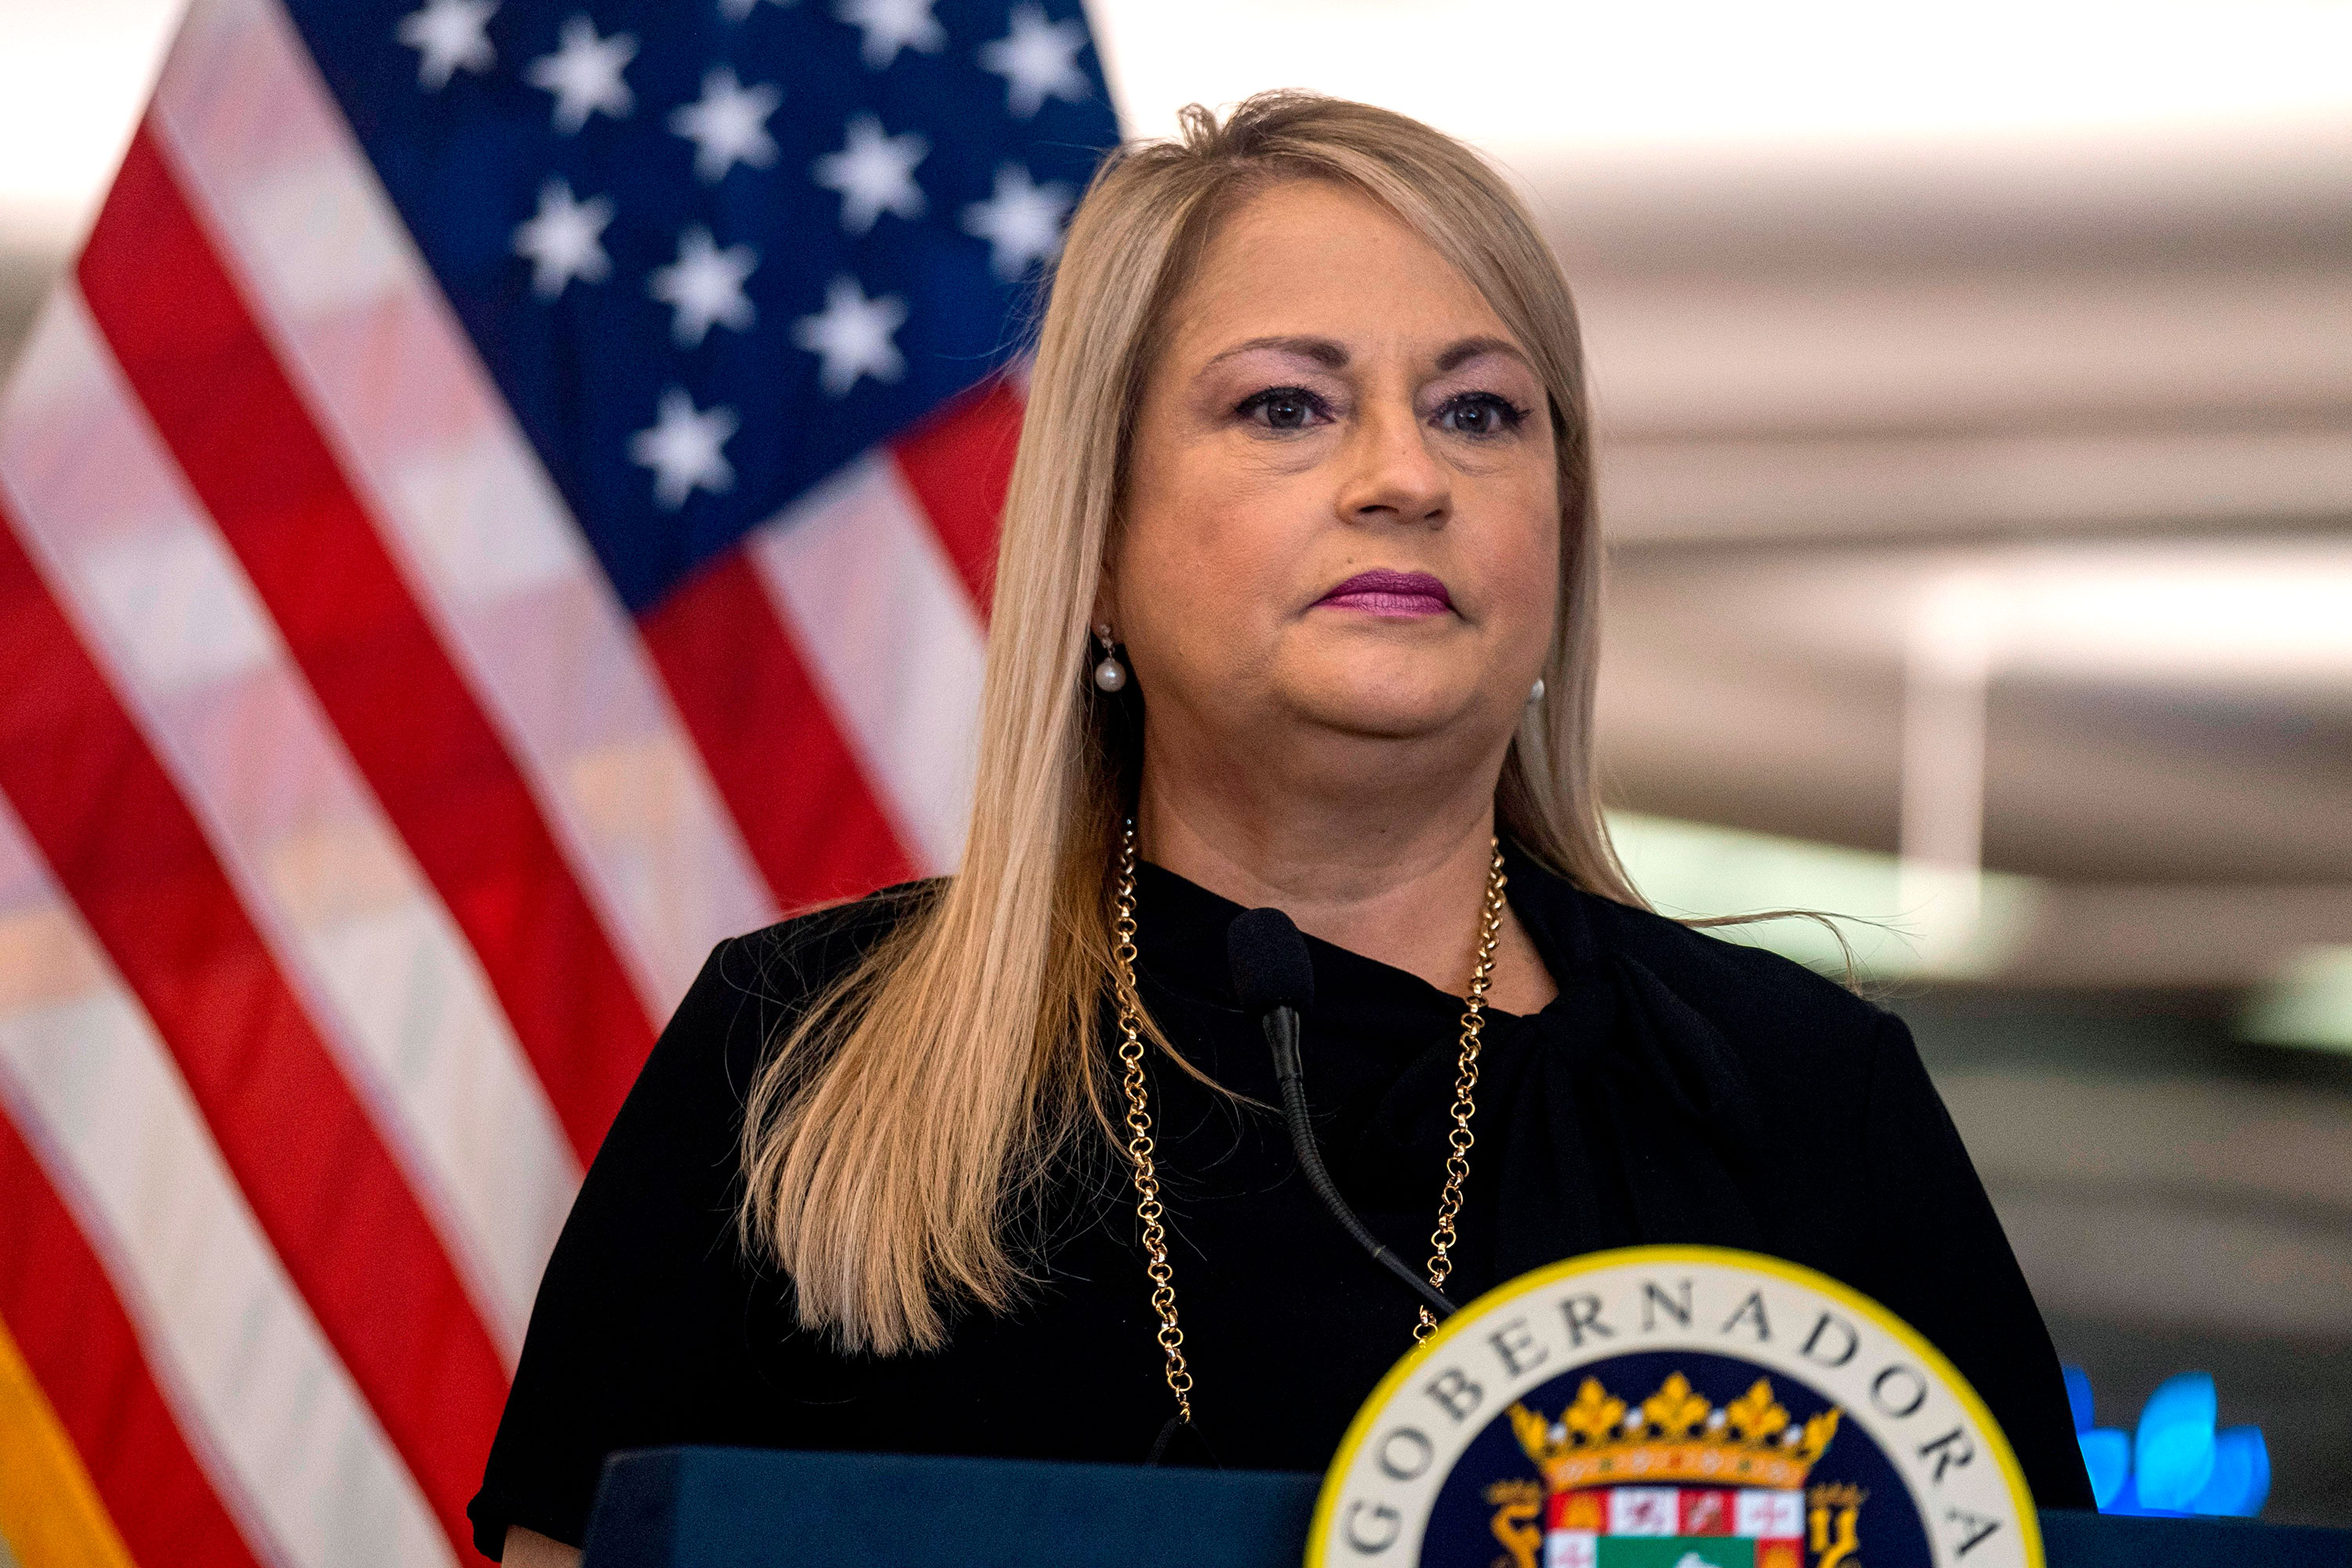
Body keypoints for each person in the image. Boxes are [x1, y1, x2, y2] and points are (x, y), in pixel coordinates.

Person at [473, 92, 2094, 1564]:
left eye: (1478, 412)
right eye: (1284, 408)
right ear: (1094, 535)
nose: (1405, 476)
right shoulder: (797, 1062)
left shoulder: (1802, 1105)